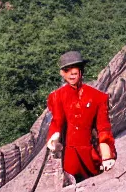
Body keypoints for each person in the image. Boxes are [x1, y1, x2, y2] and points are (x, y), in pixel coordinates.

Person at [46, 51, 117, 183]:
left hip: (91, 156)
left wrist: (107, 156)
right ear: (62, 73)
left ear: (82, 70)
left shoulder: (98, 97)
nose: (72, 73)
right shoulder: (56, 96)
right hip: (68, 157)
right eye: (67, 70)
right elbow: (57, 121)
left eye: (76, 68)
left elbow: (104, 128)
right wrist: (54, 138)